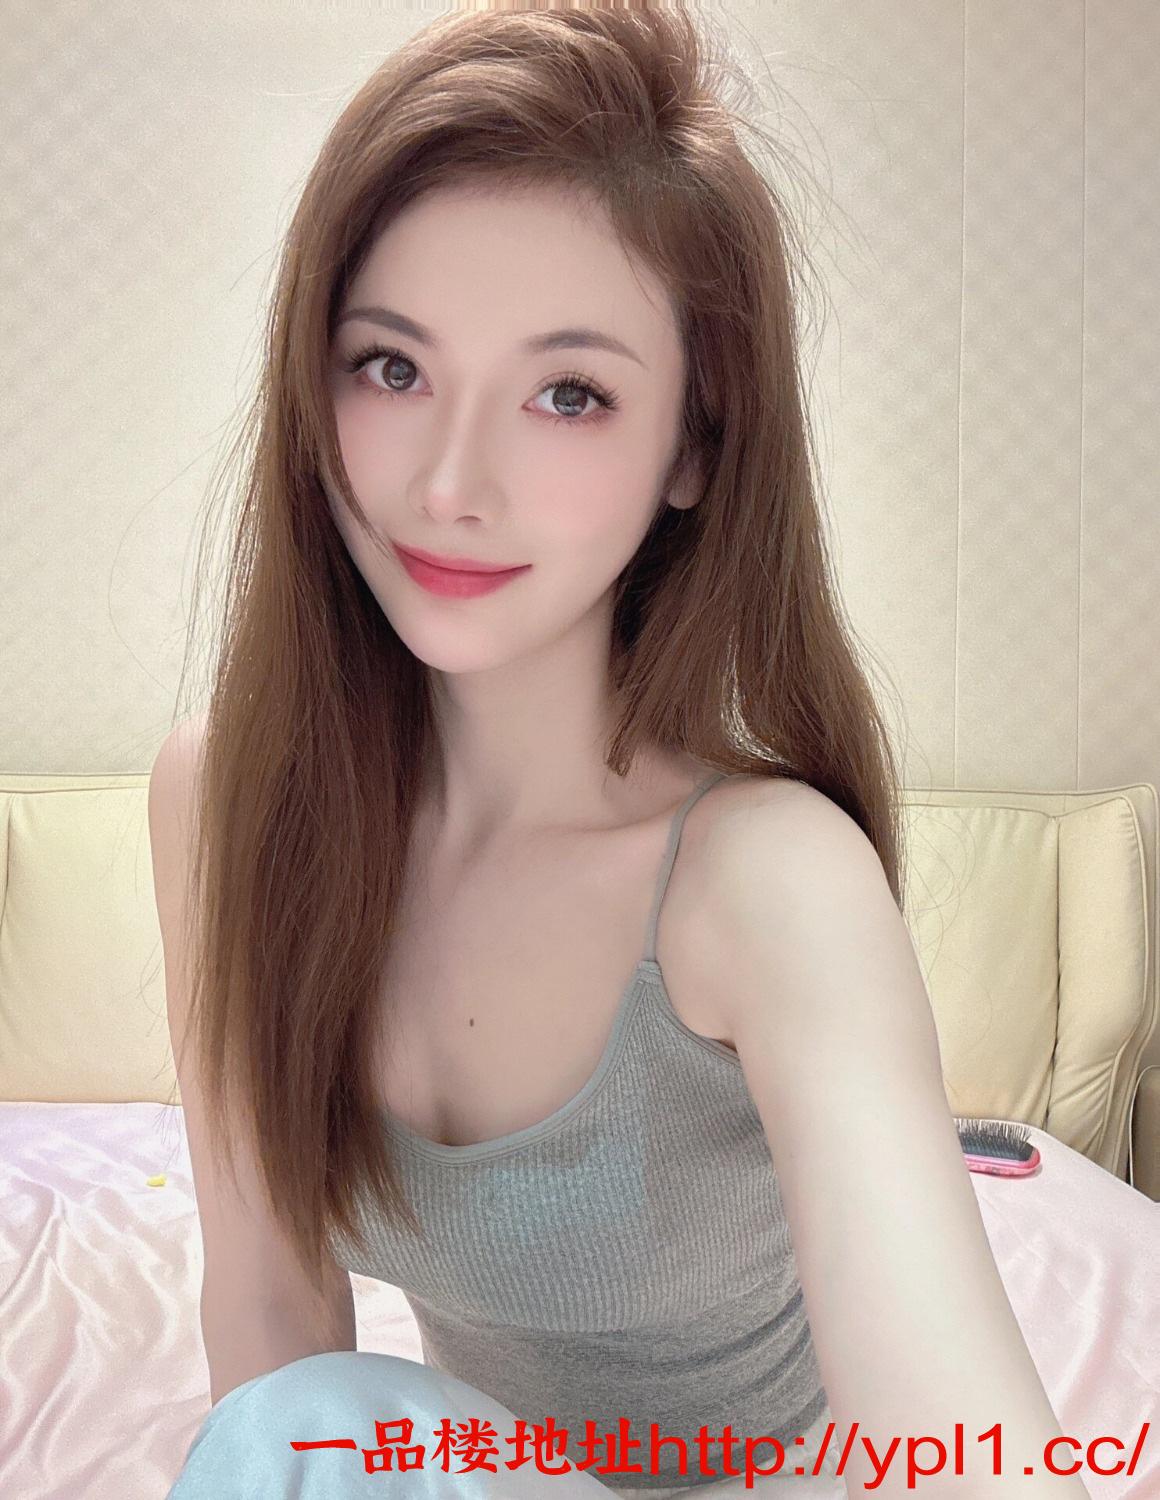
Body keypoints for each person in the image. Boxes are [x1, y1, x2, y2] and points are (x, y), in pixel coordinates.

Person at [153, 5, 1091, 1496]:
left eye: (568, 394)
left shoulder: (762, 879)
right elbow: (271, 1318)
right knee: (292, 1427)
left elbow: (968, 1453)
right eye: (390, 367)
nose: (450, 484)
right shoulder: (230, 806)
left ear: (693, 445)